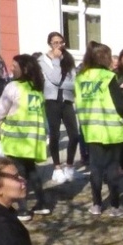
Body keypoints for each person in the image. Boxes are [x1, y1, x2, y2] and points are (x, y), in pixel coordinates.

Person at [74, 41, 123, 217]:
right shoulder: (108, 77)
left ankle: (96, 205)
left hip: (91, 129)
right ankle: (115, 206)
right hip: (111, 129)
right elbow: (120, 104)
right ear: (104, 57)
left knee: (96, 168)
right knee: (112, 168)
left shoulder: (81, 78)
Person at [0, 55, 50, 220]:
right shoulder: (36, 89)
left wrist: (0, 129)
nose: (11, 68)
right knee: (32, 171)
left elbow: (0, 112)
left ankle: (23, 209)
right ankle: (42, 204)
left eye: (14, 65)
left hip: (15, 141)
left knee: (17, 175)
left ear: (24, 69)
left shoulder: (13, 87)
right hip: (31, 142)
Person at [39, 32, 81, 184]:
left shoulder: (68, 58)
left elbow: (73, 82)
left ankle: (69, 165)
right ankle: (57, 167)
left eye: (60, 42)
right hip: (52, 101)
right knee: (55, 135)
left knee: (74, 135)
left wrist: (61, 84)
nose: (58, 45)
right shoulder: (42, 60)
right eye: (55, 42)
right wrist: (56, 60)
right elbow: (55, 78)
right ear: (50, 44)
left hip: (67, 100)